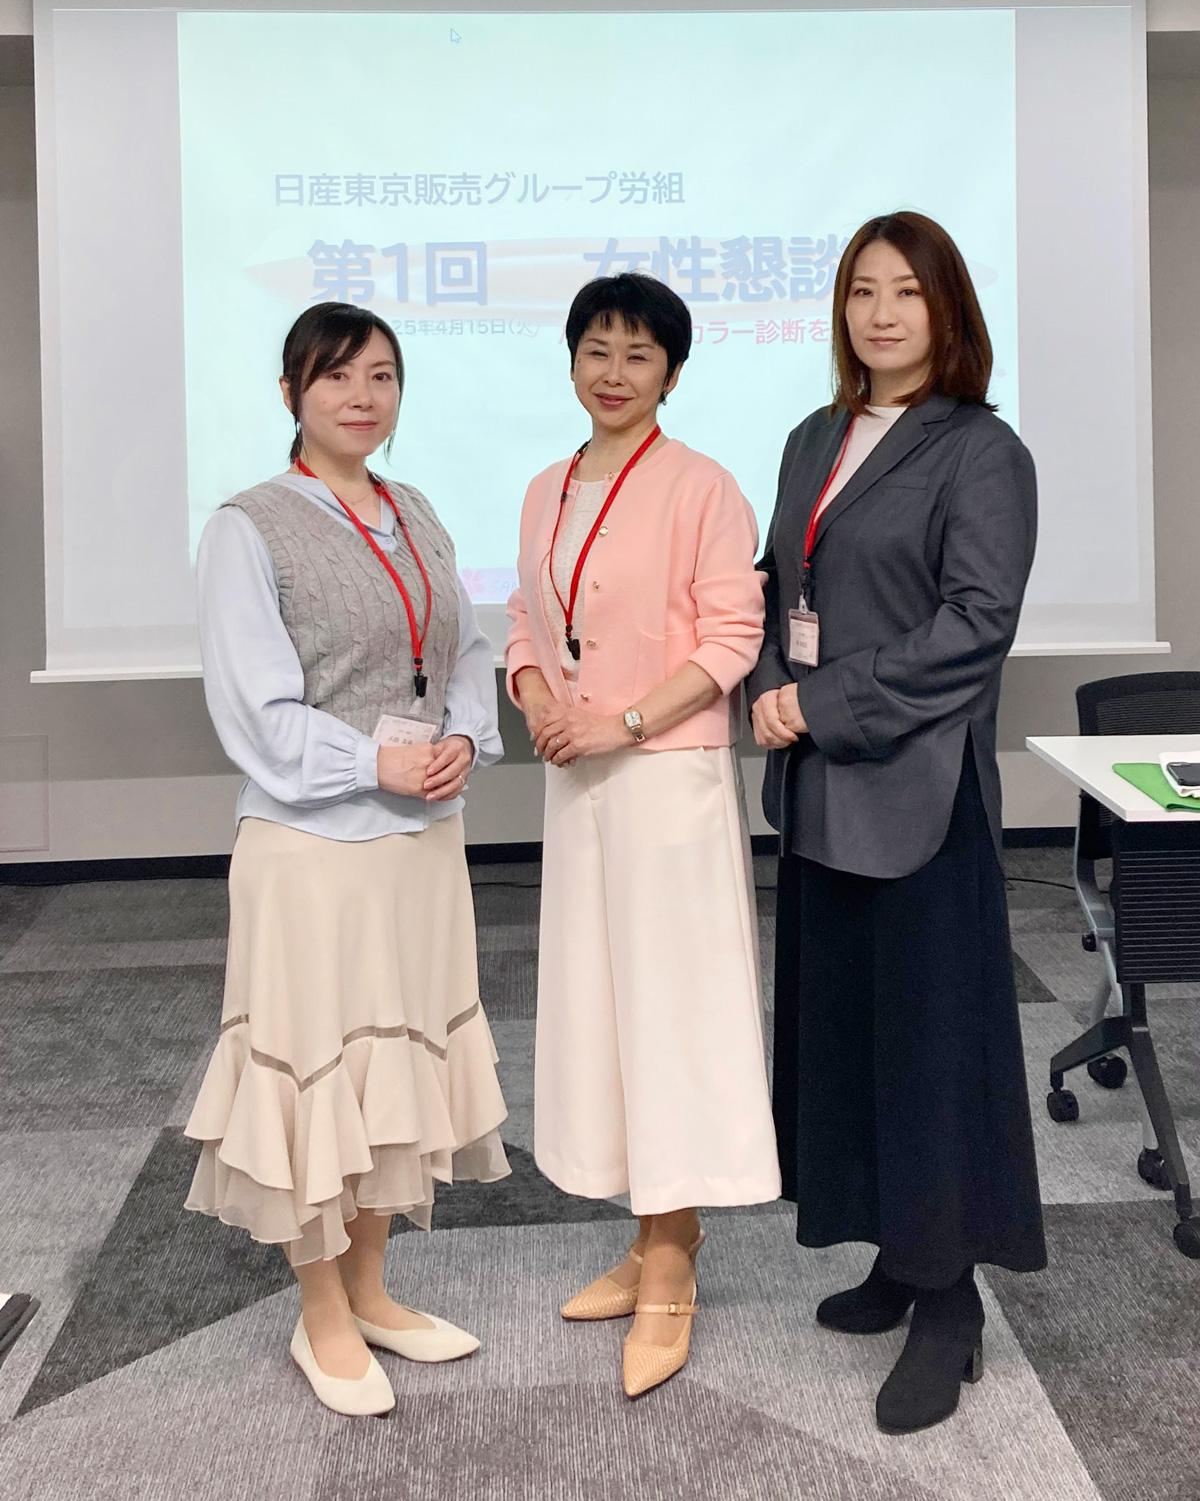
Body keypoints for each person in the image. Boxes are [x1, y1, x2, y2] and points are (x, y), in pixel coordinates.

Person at [749, 211, 1046, 1435]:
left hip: (919, 792)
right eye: (862, 290)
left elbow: (976, 627)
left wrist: (819, 702)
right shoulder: (812, 436)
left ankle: (951, 1300)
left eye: (907, 293)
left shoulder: (981, 450)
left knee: (932, 1049)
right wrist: (767, 682)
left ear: (947, 310)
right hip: (821, 785)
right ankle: (895, 1250)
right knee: (849, 1037)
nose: (880, 313)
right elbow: (779, 585)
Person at [184, 302, 510, 1417]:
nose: (361, 397)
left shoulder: (415, 510)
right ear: (291, 394)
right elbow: (257, 715)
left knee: (395, 1070)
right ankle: (319, 1307)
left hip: (420, 842)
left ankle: (370, 1287)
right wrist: (379, 761)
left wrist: (463, 735)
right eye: (335, 377)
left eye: (381, 376)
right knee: (316, 1072)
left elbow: (463, 649)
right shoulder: (248, 526)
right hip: (313, 846)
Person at [506, 272, 781, 1399]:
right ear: (571, 360)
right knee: (603, 1012)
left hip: (665, 779)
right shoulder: (546, 485)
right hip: (579, 782)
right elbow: (527, 618)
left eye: (638, 354)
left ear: (672, 370)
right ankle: (652, 1225)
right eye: (597, 350)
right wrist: (536, 696)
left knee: (672, 1015)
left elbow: (730, 640)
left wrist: (617, 723)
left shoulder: (702, 485)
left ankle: (672, 1257)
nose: (613, 373)